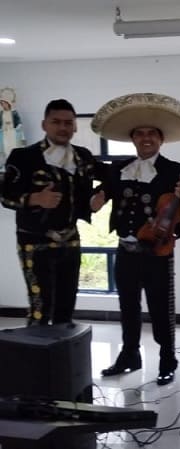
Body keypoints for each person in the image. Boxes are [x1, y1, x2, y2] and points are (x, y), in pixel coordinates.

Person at [90, 93, 180, 386]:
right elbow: (104, 190)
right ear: (132, 139)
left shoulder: (175, 170)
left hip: (158, 251)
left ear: (161, 140)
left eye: (152, 134)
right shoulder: (119, 168)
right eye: (139, 134)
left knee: (161, 307)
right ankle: (129, 356)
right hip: (125, 249)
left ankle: (167, 358)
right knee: (128, 306)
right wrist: (97, 197)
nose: (145, 138)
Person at [2, 99, 103, 325]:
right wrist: (35, 198)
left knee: (66, 309)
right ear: (44, 125)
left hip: (70, 241)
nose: (63, 127)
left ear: (75, 126)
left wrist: (99, 198)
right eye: (56, 122)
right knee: (41, 308)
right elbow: (5, 196)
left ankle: (62, 360)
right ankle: (35, 361)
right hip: (34, 242)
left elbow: (111, 177)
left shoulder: (83, 156)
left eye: (68, 123)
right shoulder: (23, 156)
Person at [1, 87, 26, 166]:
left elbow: (19, 123)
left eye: (3, 103)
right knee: (5, 149)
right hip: (4, 134)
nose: (2, 105)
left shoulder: (14, 112)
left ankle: (14, 164)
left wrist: (17, 128)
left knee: (13, 148)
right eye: (1, 103)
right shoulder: (1, 113)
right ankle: (5, 165)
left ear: (8, 103)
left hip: (13, 134)